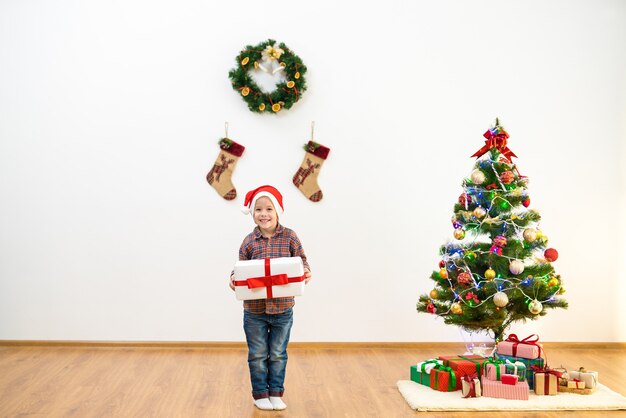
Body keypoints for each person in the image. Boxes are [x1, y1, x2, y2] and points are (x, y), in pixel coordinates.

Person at [229, 185, 312, 411]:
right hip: (254, 312)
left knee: (277, 354)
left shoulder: (290, 237)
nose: (263, 214)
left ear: (278, 212)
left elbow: (302, 261)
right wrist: (233, 279)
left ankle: (276, 392)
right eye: (258, 209)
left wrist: (306, 271)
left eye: (269, 209)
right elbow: (239, 269)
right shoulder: (248, 241)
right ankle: (260, 394)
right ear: (253, 213)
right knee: (257, 355)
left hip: (283, 310)